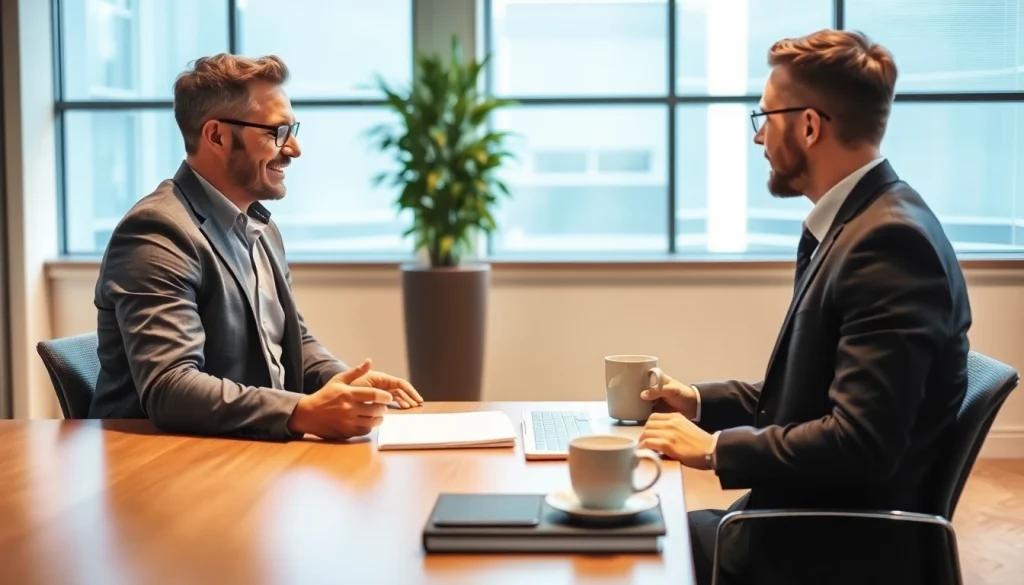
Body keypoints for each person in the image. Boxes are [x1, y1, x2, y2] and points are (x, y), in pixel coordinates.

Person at [638, 30, 971, 585]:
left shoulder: (888, 244)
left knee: (623, 550)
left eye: (766, 116)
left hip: (819, 548)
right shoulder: (863, 223)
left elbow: (859, 442)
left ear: (810, 125)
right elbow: (811, 393)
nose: (759, 136)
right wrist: (697, 402)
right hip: (796, 523)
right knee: (628, 528)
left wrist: (715, 450)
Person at [89, 54, 423, 441]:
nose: (293, 148)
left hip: (247, 453)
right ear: (216, 136)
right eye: (276, 132)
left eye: (292, 129)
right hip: (164, 465)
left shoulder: (261, 228)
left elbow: (293, 339)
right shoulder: (156, 232)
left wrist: (344, 384)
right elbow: (170, 387)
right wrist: (300, 411)